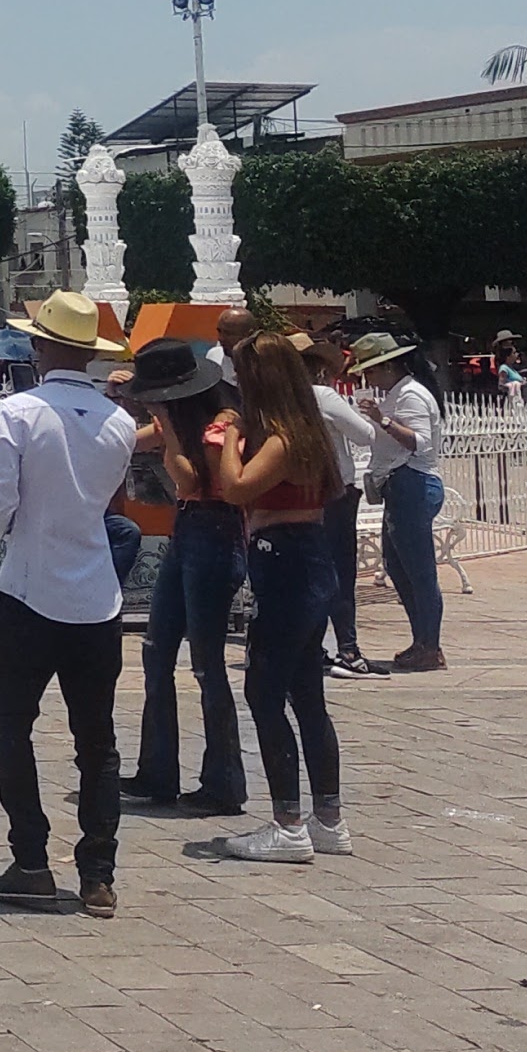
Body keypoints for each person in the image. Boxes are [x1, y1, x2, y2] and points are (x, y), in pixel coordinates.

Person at [0, 292, 135, 917]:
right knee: (97, 739)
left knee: (11, 726)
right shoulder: (118, 422)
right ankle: (97, 874)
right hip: (96, 594)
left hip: (29, 589)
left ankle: (32, 860)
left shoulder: (16, 413)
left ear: (40, 348)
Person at [200, 333, 350, 861]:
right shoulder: (307, 432)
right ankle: (327, 817)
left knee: (264, 693)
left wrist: (232, 438)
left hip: (285, 563)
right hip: (303, 560)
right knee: (307, 693)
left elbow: (237, 488)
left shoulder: (283, 437)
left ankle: (288, 824)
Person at [121, 340, 246, 817]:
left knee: (206, 663)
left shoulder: (222, 425)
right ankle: (158, 770)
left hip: (213, 532)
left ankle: (224, 781)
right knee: (157, 650)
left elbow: (189, 480)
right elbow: (134, 443)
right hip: (191, 531)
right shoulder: (185, 421)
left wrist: (170, 431)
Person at [348, 330, 447, 671]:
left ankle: (429, 644)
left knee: (419, 571)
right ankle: (422, 639)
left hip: (413, 482)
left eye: (370, 370)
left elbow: (418, 442)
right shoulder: (398, 393)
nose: (368, 378)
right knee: (398, 566)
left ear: (388, 366)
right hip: (401, 484)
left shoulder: (410, 396)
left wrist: (382, 420)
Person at [297, 326, 376, 674]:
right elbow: (365, 434)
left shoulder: (285, 397)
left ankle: (313, 646)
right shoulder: (324, 397)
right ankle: (347, 647)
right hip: (334, 491)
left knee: (310, 571)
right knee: (341, 571)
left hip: (300, 491)